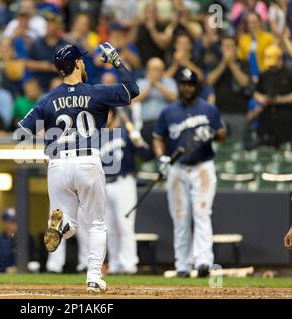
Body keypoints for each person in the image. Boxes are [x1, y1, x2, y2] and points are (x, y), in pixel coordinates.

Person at [17, 43, 140, 292]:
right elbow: (133, 90)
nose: (83, 63)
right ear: (76, 64)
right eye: (81, 60)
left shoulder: (49, 98)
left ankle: (61, 225)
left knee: (71, 226)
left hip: (58, 164)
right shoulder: (95, 92)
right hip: (87, 160)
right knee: (96, 223)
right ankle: (93, 277)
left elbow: (22, 131)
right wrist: (116, 60)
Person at [152, 68, 226, 278]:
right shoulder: (169, 112)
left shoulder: (208, 109)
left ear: (196, 86)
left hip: (202, 165)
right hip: (177, 167)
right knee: (180, 217)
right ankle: (183, 265)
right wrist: (161, 158)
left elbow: (222, 135)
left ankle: (203, 261)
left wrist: (212, 133)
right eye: (183, 83)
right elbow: (158, 138)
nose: (187, 87)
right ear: (178, 85)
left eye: (190, 84)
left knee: (202, 213)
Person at [102, 108, 148, 275]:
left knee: (125, 225)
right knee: (109, 228)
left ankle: (129, 264)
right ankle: (115, 265)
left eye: (106, 113)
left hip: (123, 181)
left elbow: (145, 155)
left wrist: (139, 141)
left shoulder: (125, 132)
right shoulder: (97, 136)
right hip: (104, 184)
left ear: (113, 114)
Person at [207, 36, 251, 140]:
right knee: (220, 147)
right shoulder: (216, 63)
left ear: (236, 47)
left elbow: (244, 82)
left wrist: (231, 64)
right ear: (221, 48)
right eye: (225, 46)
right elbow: (209, 81)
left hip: (239, 114)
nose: (228, 49)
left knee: (238, 147)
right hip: (220, 113)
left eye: (230, 46)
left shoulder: (244, 63)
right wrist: (223, 64)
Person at [132, 58, 178, 157]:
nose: (157, 72)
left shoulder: (169, 81)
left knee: (166, 154)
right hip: (146, 124)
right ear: (148, 70)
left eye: (160, 69)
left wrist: (157, 85)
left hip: (165, 124)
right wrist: (150, 84)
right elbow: (135, 99)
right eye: (154, 69)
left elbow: (174, 98)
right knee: (148, 153)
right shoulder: (141, 82)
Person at [253, 44, 292, 146]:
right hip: (267, 118)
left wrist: (278, 100)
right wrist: (260, 98)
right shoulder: (265, 74)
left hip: (286, 119)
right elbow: (256, 91)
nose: (271, 66)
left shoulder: (289, 73)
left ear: (280, 58)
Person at [25, 11, 68, 91]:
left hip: (57, 79)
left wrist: (52, 67)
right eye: (48, 23)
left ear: (58, 27)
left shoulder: (64, 45)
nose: (49, 26)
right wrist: (41, 65)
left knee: (57, 85)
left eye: (52, 24)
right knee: (31, 87)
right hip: (38, 79)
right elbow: (27, 63)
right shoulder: (37, 43)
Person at [0, 208, 36, 273]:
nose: (14, 225)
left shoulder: (28, 239)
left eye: (16, 221)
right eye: (11, 222)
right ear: (4, 223)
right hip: (3, 276)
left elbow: (33, 261)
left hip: (23, 276)